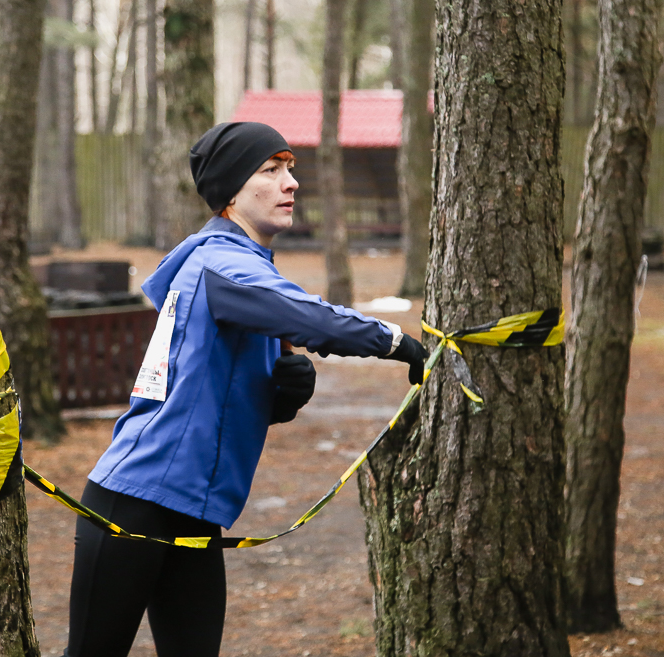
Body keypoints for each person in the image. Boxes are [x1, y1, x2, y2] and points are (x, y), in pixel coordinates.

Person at [65, 122, 428, 657]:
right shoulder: (223, 265)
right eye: (270, 170)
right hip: (133, 505)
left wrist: (279, 396)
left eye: (290, 169)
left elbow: (198, 392)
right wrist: (398, 342)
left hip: (193, 510)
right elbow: (311, 316)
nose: (291, 183)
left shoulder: (237, 268)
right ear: (231, 192)